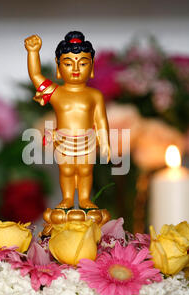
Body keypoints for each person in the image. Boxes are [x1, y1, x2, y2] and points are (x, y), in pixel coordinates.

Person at [24, 31, 110, 210]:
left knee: (86, 171)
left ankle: (85, 199)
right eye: (68, 63)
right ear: (58, 66)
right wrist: (33, 53)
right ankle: (68, 198)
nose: (76, 69)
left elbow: (101, 119)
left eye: (83, 63)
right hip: (64, 140)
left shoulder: (94, 95)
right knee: (67, 171)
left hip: (88, 140)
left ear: (92, 66)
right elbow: (36, 76)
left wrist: (106, 142)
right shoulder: (57, 93)